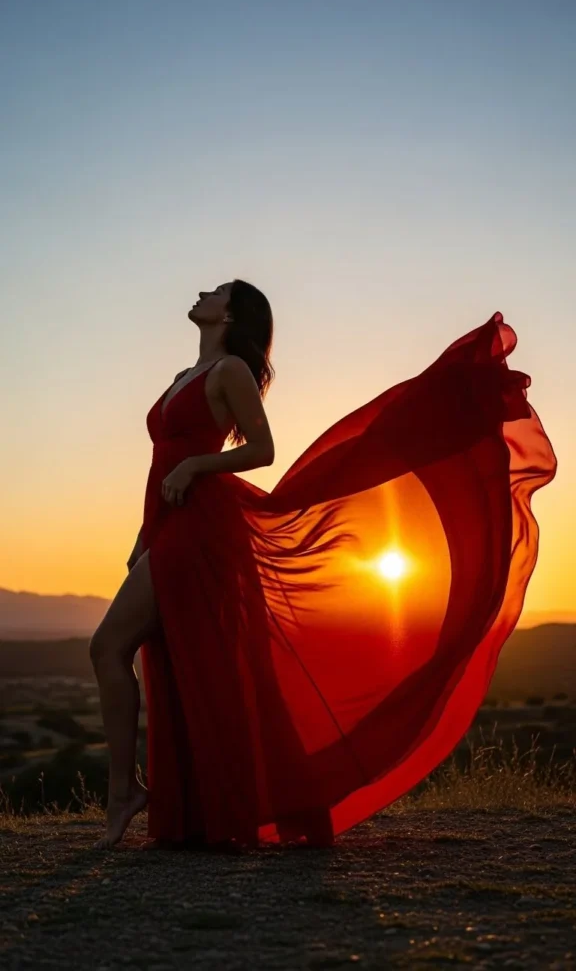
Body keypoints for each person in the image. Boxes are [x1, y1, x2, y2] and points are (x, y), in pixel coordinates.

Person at [89, 280, 556, 850]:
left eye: (215, 291)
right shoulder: (181, 377)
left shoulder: (230, 371)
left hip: (201, 529)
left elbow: (261, 449)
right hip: (168, 527)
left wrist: (196, 469)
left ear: (231, 313)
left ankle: (125, 793)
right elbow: (165, 461)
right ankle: (157, 794)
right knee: (184, 663)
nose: (201, 292)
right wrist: (145, 533)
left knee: (110, 647)